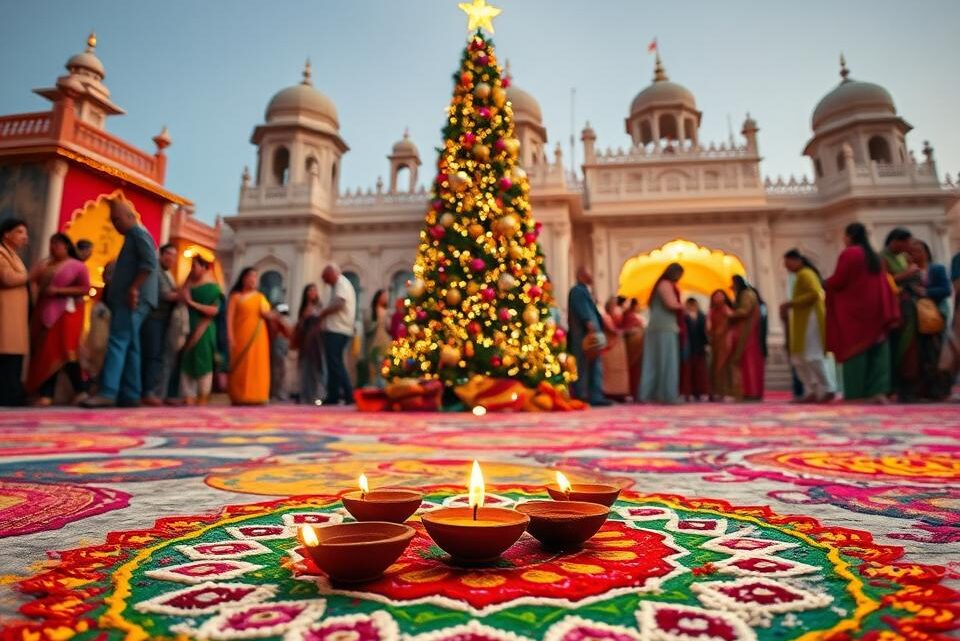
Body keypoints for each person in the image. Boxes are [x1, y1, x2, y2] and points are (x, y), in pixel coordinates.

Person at [82, 199, 158, 408]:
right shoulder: (135, 236)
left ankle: (108, 391)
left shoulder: (137, 234)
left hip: (133, 299)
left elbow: (149, 264)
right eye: (113, 220)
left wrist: (133, 288)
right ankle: (131, 393)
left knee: (117, 341)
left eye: (117, 219)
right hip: (137, 299)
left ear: (131, 216)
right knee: (131, 345)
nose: (115, 225)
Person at [824, 222, 900, 402]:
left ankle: (856, 393)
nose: (843, 239)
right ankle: (878, 391)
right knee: (878, 349)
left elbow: (839, 280)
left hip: (855, 310)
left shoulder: (850, 253)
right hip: (876, 307)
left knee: (855, 351)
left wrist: (825, 283)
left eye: (844, 236)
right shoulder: (873, 255)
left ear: (850, 236)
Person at [25, 234, 91, 405]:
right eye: (51, 243)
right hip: (43, 312)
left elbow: (85, 288)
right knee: (43, 352)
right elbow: (31, 282)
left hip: (66, 314)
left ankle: (78, 391)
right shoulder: (45, 265)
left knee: (64, 352)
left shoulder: (77, 266)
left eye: (58, 244)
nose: (53, 247)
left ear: (67, 246)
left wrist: (59, 291)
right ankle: (46, 394)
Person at [781, 249, 834, 403]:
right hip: (802, 320)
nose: (787, 268)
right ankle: (812, 390)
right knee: (799, 358)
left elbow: (816, 293)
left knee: (812, 355)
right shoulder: (800, 275)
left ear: (797, 260)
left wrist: (790, 303)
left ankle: (828, 388)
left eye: (787, 263)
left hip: (811, 319)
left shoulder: (806, 273)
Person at [904, 239, 952, 401]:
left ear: (926, 252)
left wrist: (926, 292)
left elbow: (946, 289)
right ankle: (920, 390)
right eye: (912, 252)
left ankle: (939, 390)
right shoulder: (909, 272)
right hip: (915, 319)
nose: (915, 254)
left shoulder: (937, 269)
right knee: (919, 355)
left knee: (936, 353)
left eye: (918, 251)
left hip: (935, 316)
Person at [226, 267, 274, 405]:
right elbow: (229, 318)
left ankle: (257, 395)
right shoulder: (235, 297)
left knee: (257, 365)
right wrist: (229, 336)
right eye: (250, 276)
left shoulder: (260, 297)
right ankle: (238, 396)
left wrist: (278, 315)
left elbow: (266, 313)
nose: (253, 279)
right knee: (240, 366)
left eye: (255, 276)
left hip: (257, 338)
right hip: (239, 336)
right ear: (243, 278)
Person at [880, 227, 919, 401]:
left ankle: (909, 387)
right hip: (894, 308)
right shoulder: (882, 258)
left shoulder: (903, 258)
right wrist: (907, 274)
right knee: (897, 347)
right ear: (896, 241)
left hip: (909, 305)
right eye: (907, 242)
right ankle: (895, 387)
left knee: (911, 348)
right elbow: (883, 282)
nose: (909, 246)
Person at [179, 256, 221, 405]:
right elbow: (180, 299)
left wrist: (192, 303)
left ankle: (203, 396)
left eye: (195, 266)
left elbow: (214, 311)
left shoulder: (213, 288)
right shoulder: (187, 286)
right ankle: (188, 396)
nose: (192, 269)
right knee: (187, 359)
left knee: (203, 360)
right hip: (186, 327)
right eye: (191, 266)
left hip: (204, 329)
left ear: (204, 268)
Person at [640, 262, 684, 404]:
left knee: (654, 362)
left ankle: (652, 394)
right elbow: (670, 304)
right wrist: (684, 307)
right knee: (667, 362)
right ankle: (667, 394)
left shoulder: (660, 284)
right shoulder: (665, 284)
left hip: (658, 326)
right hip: (664, 327)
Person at [140, 244, 179, 406]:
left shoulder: (168, 274)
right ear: (161, 255)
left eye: (174, 255)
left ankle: (154, 391)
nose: (171, 258)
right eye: (168, 254)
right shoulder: (156, 271)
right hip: (153, 318)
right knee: (152, 355)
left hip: (162, 319)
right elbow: (165, 295)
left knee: (159, 356)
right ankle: (147, 391)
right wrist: (184, 295)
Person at [567, 266, 610, 406]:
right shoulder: (578, 291)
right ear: (580, 276)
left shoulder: (585, 291)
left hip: (591, 336)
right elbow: (584, 312)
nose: (592, 276)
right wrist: (591, 328)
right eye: (588, 274)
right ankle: (583, 394)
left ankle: (594, 395)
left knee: (593, 365)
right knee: (583, 365)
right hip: (584, 337)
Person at [317, 264, 356, 405]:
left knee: (335, 363)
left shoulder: (341, 283)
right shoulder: (336, 285)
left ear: (332, 274)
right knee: (333, 363)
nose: (325, 281)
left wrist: (322, 313)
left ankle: (348, 394)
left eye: (325, 278)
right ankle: (333, 395)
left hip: (338, 329)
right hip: (337, 329)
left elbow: (339, 303)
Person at [0, 218, 30, 406]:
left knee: (13, 357)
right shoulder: (1, 253)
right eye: (20, 232)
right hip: (5, 313)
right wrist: (30, 275)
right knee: (6, 356)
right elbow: (7, 278)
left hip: (15, 315)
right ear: (6, 234)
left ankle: (12, 395)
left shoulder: (14, 255)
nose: (25, 237)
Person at [729, 275, 765, 401]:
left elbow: (745, 310)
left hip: (748, 334)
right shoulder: (746, 294)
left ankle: (751, 392)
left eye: (733, 284)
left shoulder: (747, 294)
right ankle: (747, 392)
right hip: (746, 332)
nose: (732, 287)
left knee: (749, 363)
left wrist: (730, 314)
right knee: (745, 363)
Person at [294, 284, 325, 404]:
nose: (312, 292)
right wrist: (304, 317)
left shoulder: (320, 307)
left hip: (316, 340)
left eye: (314, 290)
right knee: (305, 367)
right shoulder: (304, 308)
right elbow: (300, 325)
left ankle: (316, 395)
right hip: (305, 340)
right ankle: (305, 395)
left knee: (316, 368)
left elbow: (322, 322)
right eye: (310, 290)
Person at [600, 297, 630, 399]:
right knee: (611, 370)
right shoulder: (606, 317)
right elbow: (613, 329)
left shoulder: (617, 312)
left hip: (618, 345)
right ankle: (610, 392)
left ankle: (620, 392)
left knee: (620, 369)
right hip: (611, 346)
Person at [680, 297, 709, 401]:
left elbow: (704, 332)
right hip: (688, 347)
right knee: (688, 371)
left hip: (699, 346)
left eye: (693, 304)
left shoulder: (702, 316)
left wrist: (706, 344)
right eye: (690, 304)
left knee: (700, 371)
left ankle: (700, 392)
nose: (691, 306)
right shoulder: (684, 317)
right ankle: (688, 392)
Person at [707, 289, 734, 400]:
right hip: (715, 341)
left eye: (720, 295)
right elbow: (708, 326)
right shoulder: (711, 311)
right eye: (716, 296)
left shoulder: (726, 309)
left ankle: (726, 392)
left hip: (725, 340)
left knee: (723, 365)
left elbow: (732, 320)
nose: (718, 298)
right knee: (714, 366)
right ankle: (715, 392)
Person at [365, 289, 392, 389]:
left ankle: (383, 386)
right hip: (373, 341)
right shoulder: (372, 311)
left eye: (386, 296)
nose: (386, 298)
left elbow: (389, 327)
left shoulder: (387, 312)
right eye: (384, 296)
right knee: (373, 365)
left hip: (384, 340)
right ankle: (373, 386)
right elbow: (367, 326)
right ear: (378, 297)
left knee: (384, 364)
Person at [621, 298, 646, 398]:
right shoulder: (629, 316)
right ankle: (634, 392)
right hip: (632, 346)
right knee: (633, 371)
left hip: (638, 346)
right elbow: (626, 330)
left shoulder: (634, 316)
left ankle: (637, 392)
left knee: (637, 371)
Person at [269, 303, 292, 401]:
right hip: (276, 343)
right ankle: (275, 393)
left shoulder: (284, 320)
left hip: (283, 344)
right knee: (277, 369)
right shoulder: (274, 320)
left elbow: (289, 333)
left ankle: (279, 392)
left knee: (281, 370)